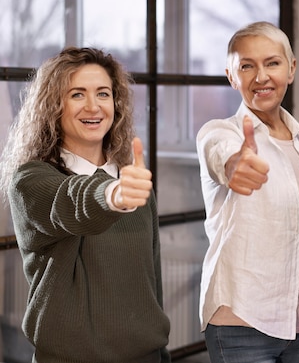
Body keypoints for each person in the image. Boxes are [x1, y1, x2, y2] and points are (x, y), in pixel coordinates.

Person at [0, 47, 171, 363]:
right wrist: (111, 196)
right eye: (77, 94)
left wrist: (161, 354)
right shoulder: (31, 180)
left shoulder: (131, 182)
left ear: (115, 105)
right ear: (54, 106)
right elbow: (70, 200)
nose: (93, 106)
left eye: (103, 94)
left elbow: (152, 284)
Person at [196, 21, 299, 363]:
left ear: (291, 69)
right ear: (231, 76)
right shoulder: (221, 132)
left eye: (272, 63)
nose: (261, 76)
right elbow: (218, 152)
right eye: (247, 66)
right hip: (242, 321)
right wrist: (233, 164)